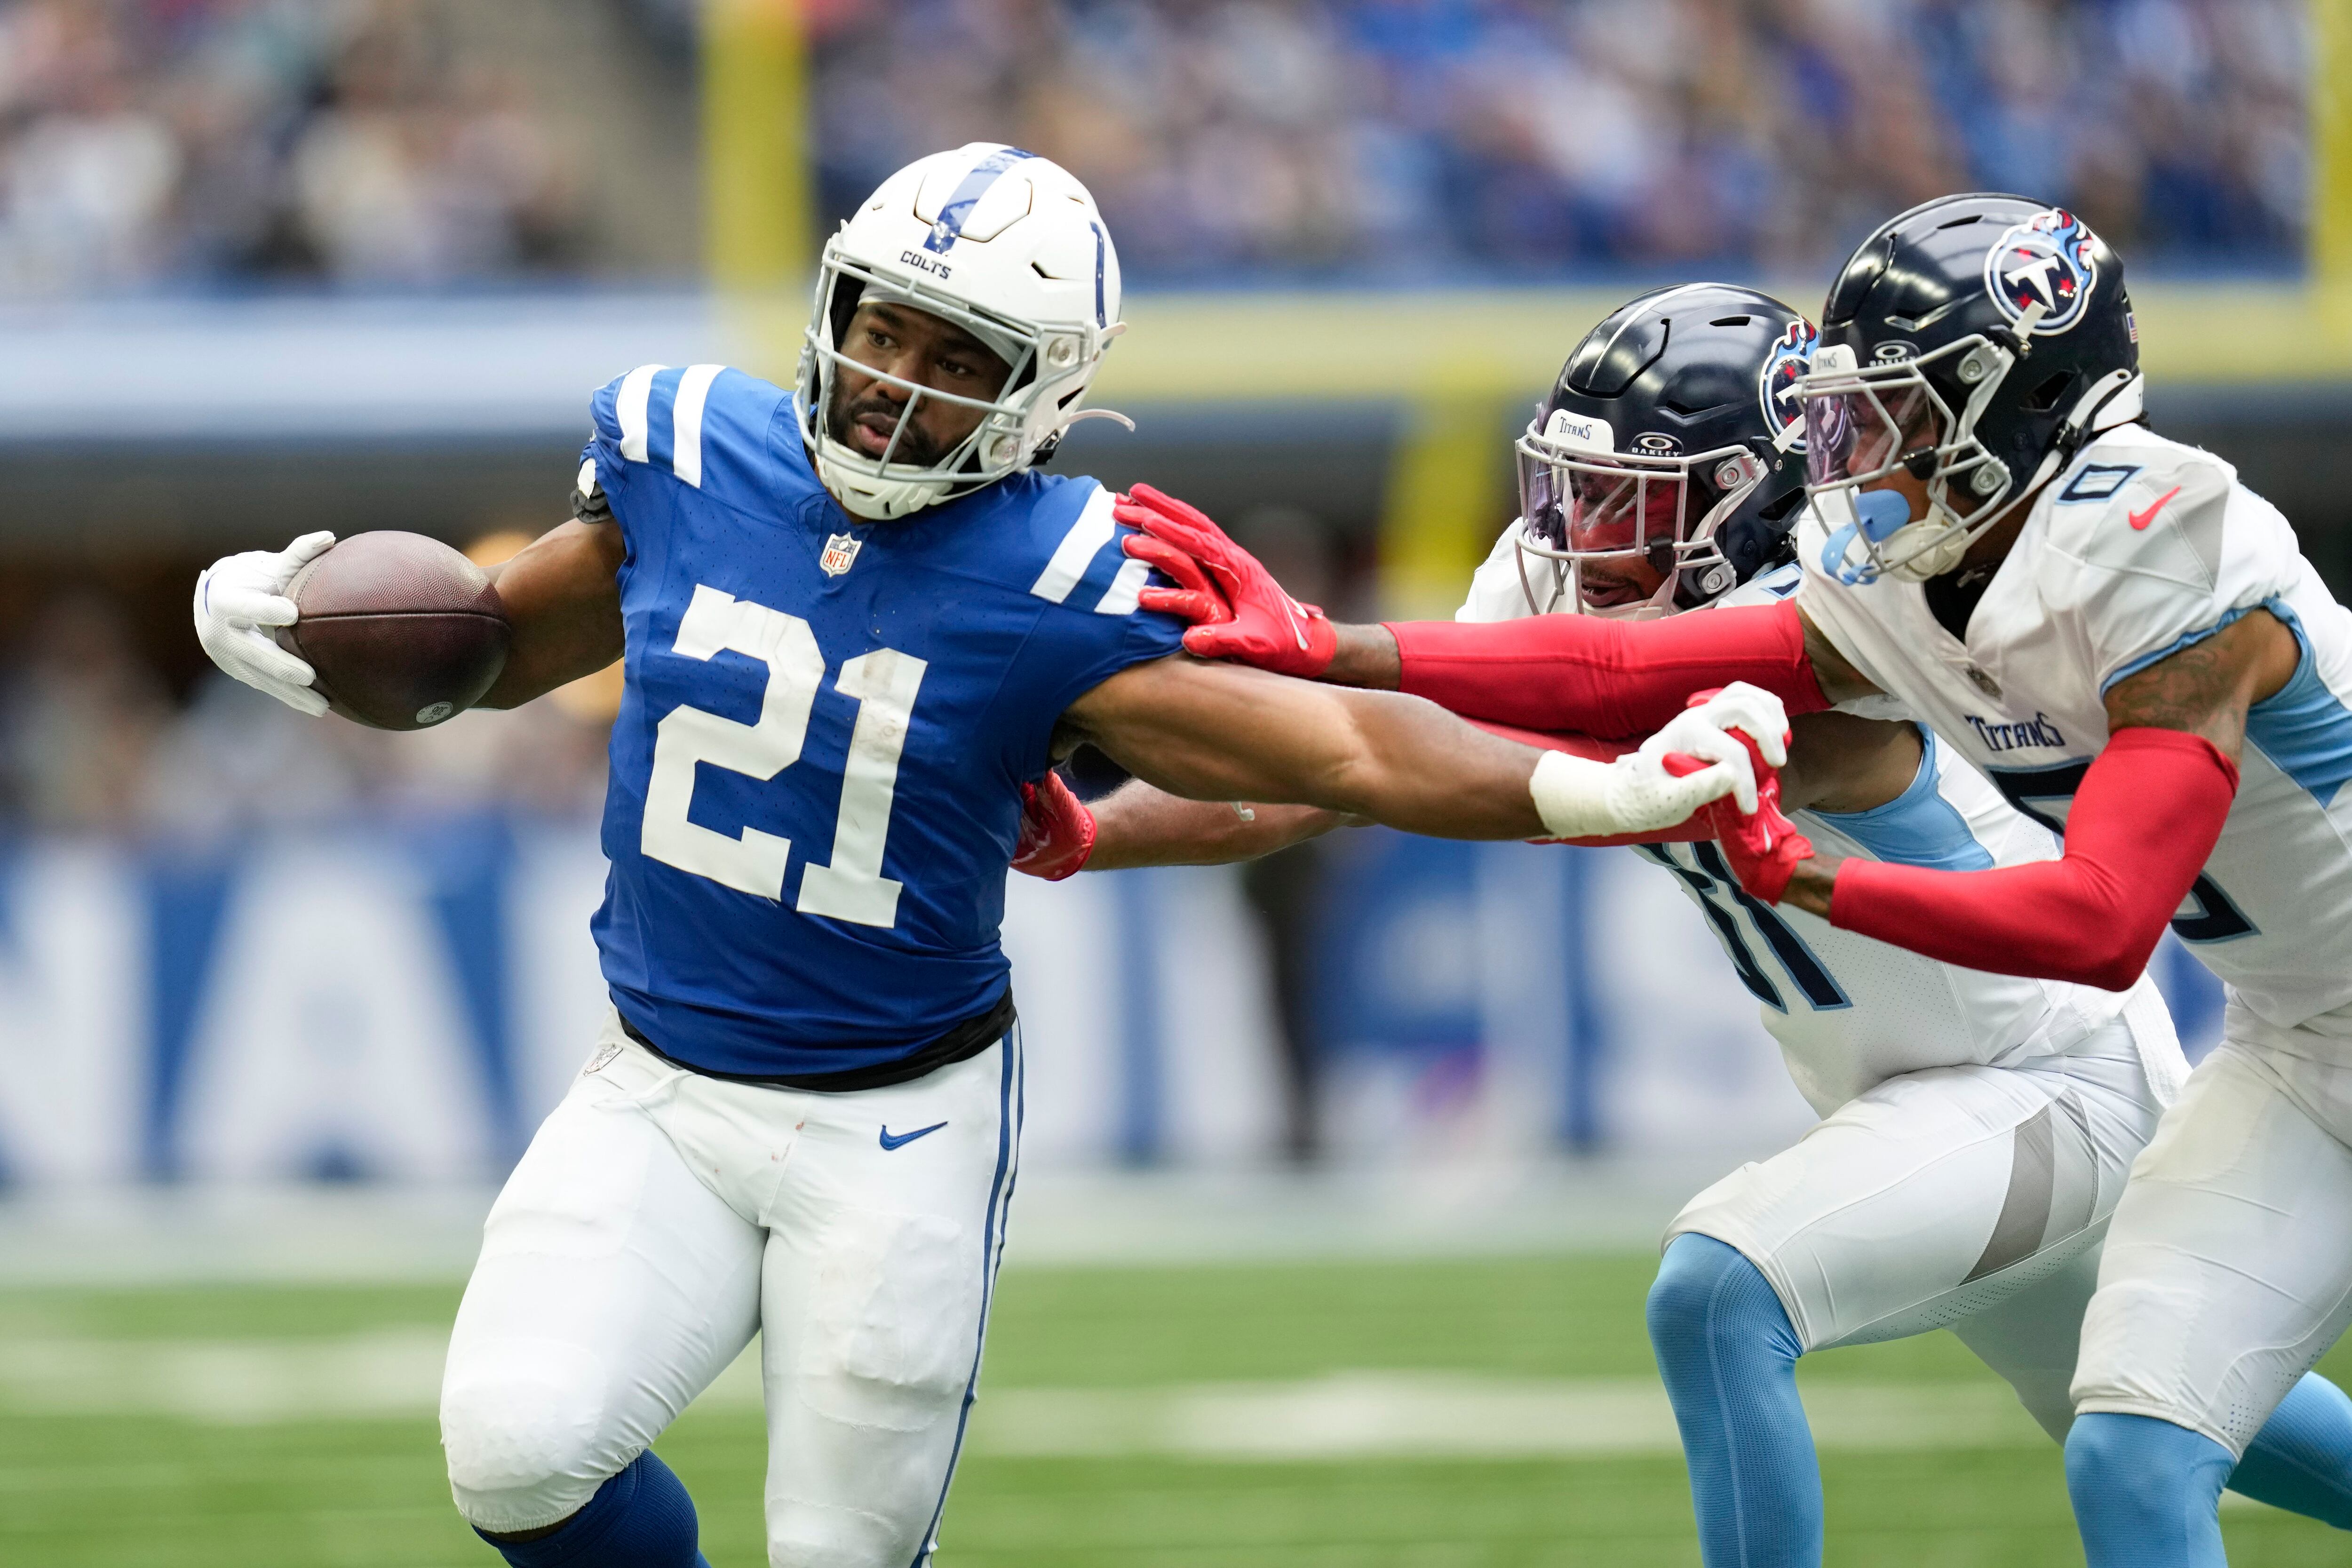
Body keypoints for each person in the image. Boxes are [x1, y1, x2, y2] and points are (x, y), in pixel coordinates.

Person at [188, 144, 1778, 1568]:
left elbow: (1340, 750)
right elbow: (488, 655)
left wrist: (1594, 791)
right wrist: (293, 632)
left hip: (895, 1130)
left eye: (958, 357)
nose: (893, 380)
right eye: (881, 327)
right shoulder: (693, 450)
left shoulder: (1062, 570)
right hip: (658, 1088)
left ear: (1043, 393)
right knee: (520, 1455)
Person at [1016, 280, 2352, 1564]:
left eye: (1627, 499)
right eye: (1572, 488)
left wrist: (1334, 662)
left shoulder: (1838, 626)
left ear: (1753, 498)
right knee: (2155, 1427)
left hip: (2042, 1078)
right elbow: (1346, 770)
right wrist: (1094, 831)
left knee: (1722, 1290)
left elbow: (1518, 735)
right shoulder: (1568, 593)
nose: (1578, 532)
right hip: (1915, 1092)